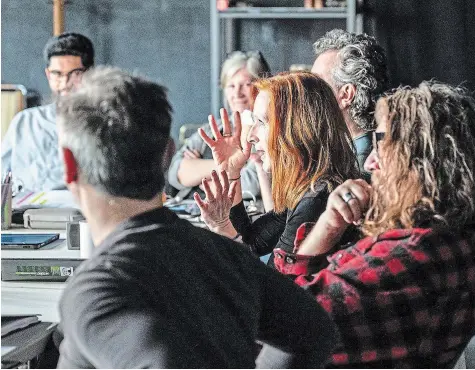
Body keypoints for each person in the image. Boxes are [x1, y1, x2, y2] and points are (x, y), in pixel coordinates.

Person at [55, 66, 338, 368]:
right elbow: (313, 332)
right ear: (168, 154)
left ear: (69, 165)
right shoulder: (228, 256)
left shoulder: (98, 292)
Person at [273, 81, 475, 367]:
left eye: (382, 141)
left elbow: (278, 323)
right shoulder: (461, 245)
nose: (371, 161)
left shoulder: (412, 257)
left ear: (422, 157)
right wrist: (329, 226)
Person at [194, 72, 361, 268]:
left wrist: (221, 226)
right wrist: (232, 172)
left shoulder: (317, 199)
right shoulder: (308, 185)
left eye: (262, 122)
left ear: (298, 128)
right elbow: (252, 241)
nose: (251, 136)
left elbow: (270, 288)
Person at [168, 50, 271, 201]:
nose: (237, 93)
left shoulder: (267, 131)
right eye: (231, 86)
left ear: (262, 87)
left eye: (246, 85)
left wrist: (198, 169)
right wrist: (228, 167)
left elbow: (251, 184)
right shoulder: (213, 128)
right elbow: (175, 172)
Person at [1, 32, 94, 192]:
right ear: (48, 75)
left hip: (81, 214)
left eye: (75, 74)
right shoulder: (25, 122)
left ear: (90, 73)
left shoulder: (105, 123)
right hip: (26, 213)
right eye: (57, 74)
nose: (65, 83)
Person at [311, 29, 389, 179]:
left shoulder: (357, 171)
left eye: (317, 84)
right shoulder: (345, 153)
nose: (308, 93)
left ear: (346, 95)